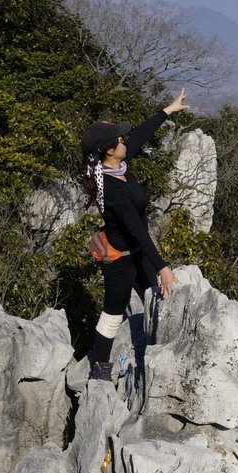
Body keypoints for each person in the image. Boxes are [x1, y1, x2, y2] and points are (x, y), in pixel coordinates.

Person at [81, 88, 189, 381]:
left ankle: (153, 351)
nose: (124, 141)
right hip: (120, 260)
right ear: (108, 151)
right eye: (118, 139)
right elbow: (139, 231)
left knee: (153, 297)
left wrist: (167, 111)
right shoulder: (113, 189)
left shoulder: (117, 168)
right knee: (113, 314)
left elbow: (140, 136)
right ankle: (100, 371)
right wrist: (163, 267)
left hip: (137, 252)